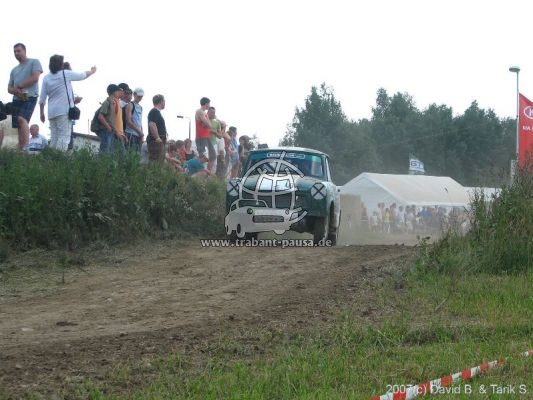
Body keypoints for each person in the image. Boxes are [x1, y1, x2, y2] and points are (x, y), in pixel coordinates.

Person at [39, 54, 96, 151]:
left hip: (51, 112)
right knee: (64, 137)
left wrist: (41, 113)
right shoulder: (65, 73)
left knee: (54, 138)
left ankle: (51, 157)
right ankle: (59, 158)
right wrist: (92, 71)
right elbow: (82, 75)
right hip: (63, 111)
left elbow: (42, 98)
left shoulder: (46, 78)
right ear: (60, 64)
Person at [7, 43, 43, 150]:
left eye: (18, 51)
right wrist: (16, 91)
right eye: (14, 51)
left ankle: (26, 147)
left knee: (22, 119)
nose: (16, 53)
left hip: (30, 96)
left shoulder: (34, 62)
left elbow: (35, 78)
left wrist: (20, 86)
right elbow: (9, 88)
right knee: (17, 125)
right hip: (16, 99)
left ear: (24, 51)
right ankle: (20, 148)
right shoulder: (14, 70)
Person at [97, 84, 126, 154]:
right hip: (106, 131)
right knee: (105, 153)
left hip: (111, 131)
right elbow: (100, 116)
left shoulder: (113, 102)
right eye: (117, 91)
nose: (119, 93)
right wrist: (108, 127)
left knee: (110, 153)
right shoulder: (107, 102)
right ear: (114, 92)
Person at [147, 94, 167, 162]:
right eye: (164, 101)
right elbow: (152, 125)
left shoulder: (156, 112)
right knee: (156, 161)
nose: (165, 103)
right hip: (155, 141)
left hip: (158, 140)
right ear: (161, 101)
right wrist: (158, 138)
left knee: (159, 161)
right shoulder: (154, 111)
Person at [124, 88, 144, 152]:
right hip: (130, 134)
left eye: (141, 96)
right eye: (139, 96)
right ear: (134, 94)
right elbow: (128, 121)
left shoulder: (141, 107)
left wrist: (141, 133)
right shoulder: (130, 105)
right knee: (129, 154)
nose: (140, 98)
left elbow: (140, 122)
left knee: (137, 155)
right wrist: (139, 131)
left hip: (138, 135)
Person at [195, 97, 213, 167]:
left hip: (205, 137)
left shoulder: (204, 113)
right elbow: (209, 124)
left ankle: (205, 171)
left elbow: (209, 125)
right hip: (201, 137)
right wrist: (207, 123)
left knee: (212, 156)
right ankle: (196, 170)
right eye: (209, 104)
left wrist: (207, 123)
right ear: (206, 104)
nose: (209, 105)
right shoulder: (199, 111)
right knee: (203, 157)